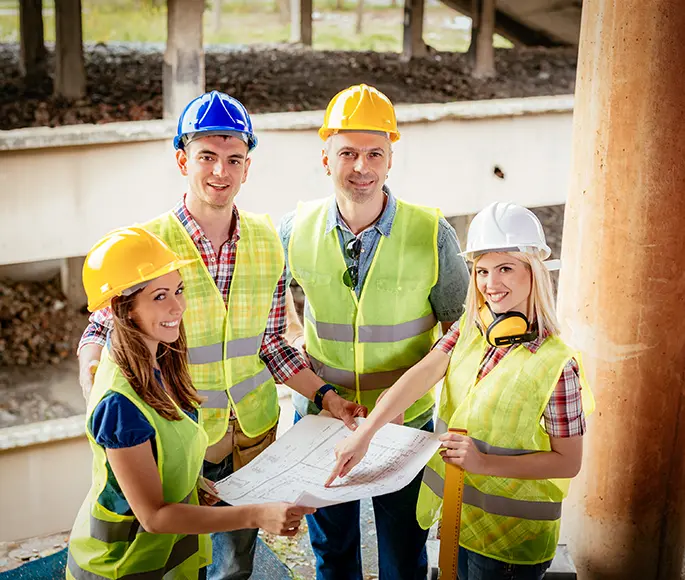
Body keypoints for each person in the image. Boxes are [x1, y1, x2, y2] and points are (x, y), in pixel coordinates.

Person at [77, 91, 365, 580]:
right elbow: (101, 331)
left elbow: (272, 345)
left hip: (252, 436)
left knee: (233, 565)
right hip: (179, 441)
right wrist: (98, 400)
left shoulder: (267, 238)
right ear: (182, 159)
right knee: (172, 560)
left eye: (234, 159)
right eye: (207, 156)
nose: (220, 172)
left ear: (247, 167)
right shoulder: (148, 244)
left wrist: (328, 397)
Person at [327, 201, 596, 580]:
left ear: (533, 271)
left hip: (511, 544)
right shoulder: (471, 331)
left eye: (505, 268)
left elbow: (568, 462)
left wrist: (484, 464)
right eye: (482, 270)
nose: (490, 283)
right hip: (460, 519)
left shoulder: (558, 364)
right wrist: (367, 434)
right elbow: (420, 375)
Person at [279, 84, 470, 580]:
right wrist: (306, 361)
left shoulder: (432, 232)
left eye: (374, 153)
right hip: (324, 419)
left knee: (403, 556)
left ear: (390, 160)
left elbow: (459, 336)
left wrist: (410, 400)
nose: (360, 166)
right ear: (325, 159)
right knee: (333, 553)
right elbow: (272, 315)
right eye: (347, 153)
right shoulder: (293, 230)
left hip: (407, 425)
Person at [67, 227, 314, 580]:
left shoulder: (162, 364)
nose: (177, 306)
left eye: (179, 290)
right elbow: (153, 517)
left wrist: (189, 481)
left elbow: (164, 449)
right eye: (159, 296)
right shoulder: (120, 403)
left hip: (168, 564)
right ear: (122, 308)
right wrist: (255, 515)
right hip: (123, 568)